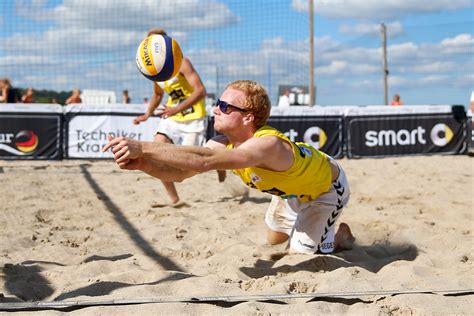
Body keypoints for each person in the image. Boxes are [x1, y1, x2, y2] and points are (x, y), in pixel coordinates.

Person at [104, 80, 354, 255]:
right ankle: (315, 232)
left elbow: (204, 162)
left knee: (300, 257)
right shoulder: (224, 142)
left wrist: (143, 146)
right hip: (291, 192)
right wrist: (143, 164)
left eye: (225, 107)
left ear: (248, 117)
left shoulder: (266, 144)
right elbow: (179, 174)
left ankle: (338, 236)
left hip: (326, 191)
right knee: (274, 241)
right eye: (217, 103)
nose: (215, 109)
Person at [133, 27, 225, 205]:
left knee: (189, 164)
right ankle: (174, 199)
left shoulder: (182, 63)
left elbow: (201, 91)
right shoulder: (155, 71)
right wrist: (146, 115)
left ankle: (218, 163)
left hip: (193, 118)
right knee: (156, 154)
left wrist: (176, 109)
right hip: (172, 119)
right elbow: (157, 96)